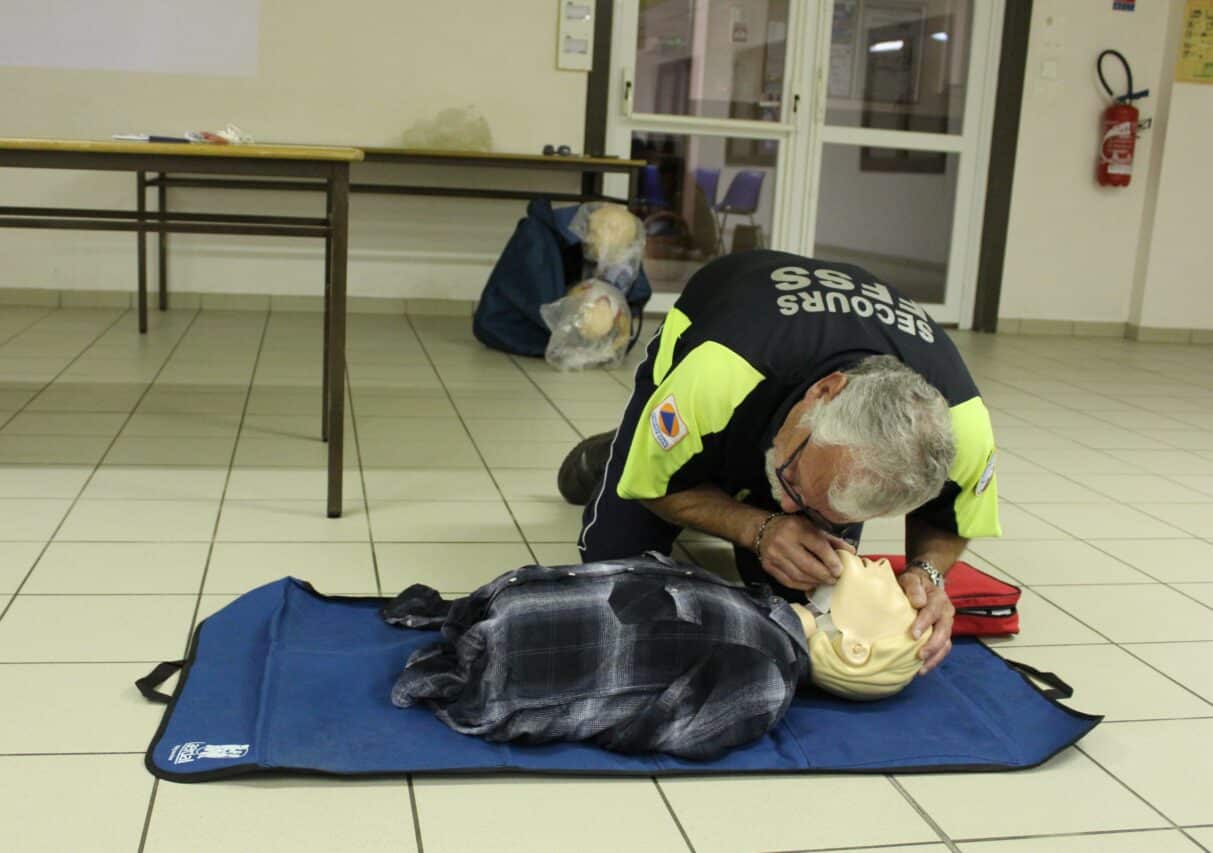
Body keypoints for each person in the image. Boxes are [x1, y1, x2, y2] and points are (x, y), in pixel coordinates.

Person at [561, 250, 1001, 675]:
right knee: (614, 575)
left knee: (800, 599)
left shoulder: (963, 427)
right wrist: (759, 528)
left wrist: (927, 575)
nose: (789, 510)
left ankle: (781, 477)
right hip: (730, 344)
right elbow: (654, 488)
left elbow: (951, 519)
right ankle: (626, 450)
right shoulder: (717, 370)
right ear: (824, 392)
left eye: (822, 509)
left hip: (781, 399)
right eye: (794, 484)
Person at [383, 550, 931, 760]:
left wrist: (602, 713)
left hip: (524, 653)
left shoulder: (766, 679)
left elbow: (670, 729)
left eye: (892, 601)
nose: (888, 570)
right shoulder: (762, 611)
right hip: (524, 607)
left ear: (856, 649)